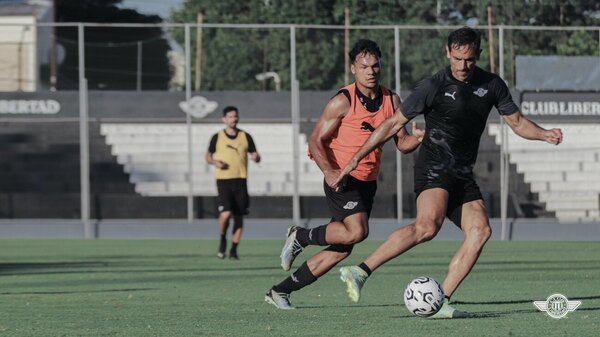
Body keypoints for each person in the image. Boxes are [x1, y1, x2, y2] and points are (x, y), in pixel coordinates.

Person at [335, 27, 563, 318]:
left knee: (480, 232)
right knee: (428, 226)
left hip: (462, 173)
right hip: (433, 167)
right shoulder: (433, 86)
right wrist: (356, 158)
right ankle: (360, 271)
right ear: (448, 53)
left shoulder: (492, 84)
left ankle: (439, 300)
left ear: (477, 56)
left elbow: (517, 123)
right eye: (457, 59)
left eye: (468, 59)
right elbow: (392, 125)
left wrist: (544, 134)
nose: (462, 66)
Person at [264, 39, 424, 309]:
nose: (371, 71)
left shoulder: (392, 100)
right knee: (357, 231)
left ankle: (280, 291)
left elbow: (403, 144)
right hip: (342, 178)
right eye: (364, 67)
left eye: (375, 66)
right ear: (353, 69)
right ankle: (300, 236)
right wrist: (330, 171)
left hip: (368, 183)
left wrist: (418, 139)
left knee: (342, 248)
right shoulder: (342, 101)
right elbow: (315, 140)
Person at [205, 106, 261, 260]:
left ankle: (234, 249)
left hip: (241, 180)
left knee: (239, 216)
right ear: (224, 119)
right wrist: (216, 162)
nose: (233, 119)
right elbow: (208, 157)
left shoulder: (245, 136)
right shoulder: (217, 137)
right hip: (224, 180)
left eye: (235, 116)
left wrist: (256, 157)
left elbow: (255, 154)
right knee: (225, 213)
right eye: (230, 117)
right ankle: (223, 237)